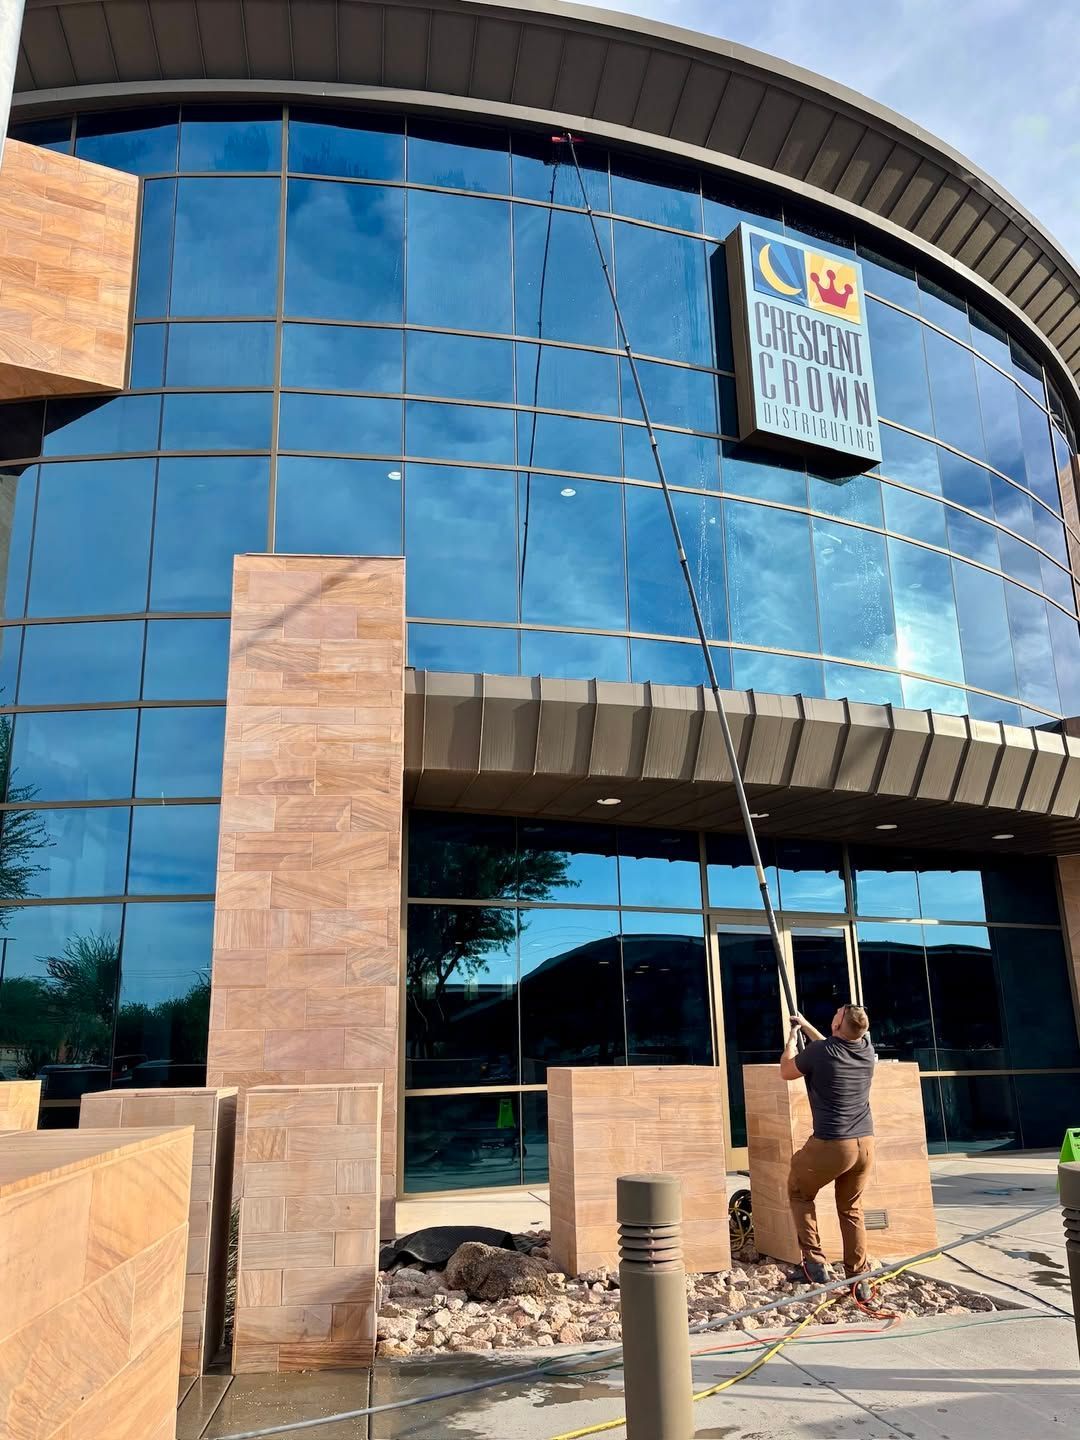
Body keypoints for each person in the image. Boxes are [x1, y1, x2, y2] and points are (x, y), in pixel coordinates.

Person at [779, 1003, 876, 1301]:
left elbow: (786, 1070)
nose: (833, 1015)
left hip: (833, 1143)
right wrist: (806, 1025)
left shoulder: (820, 1052)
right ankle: (859, 1279)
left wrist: (791, 1041)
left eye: (836, 1015)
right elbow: (829, 1043)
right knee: (851, 1210)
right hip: (865, 1144)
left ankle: (814, 1263)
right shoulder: (866, 1049)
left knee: (798, 1190)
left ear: (837, 1027)